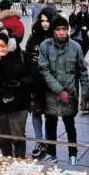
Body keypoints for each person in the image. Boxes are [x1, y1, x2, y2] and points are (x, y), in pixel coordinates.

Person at [38, 15, 89, 165]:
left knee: (70, 125)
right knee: (50, 125)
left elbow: (82, 72)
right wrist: (59, 90)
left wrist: (86, 95)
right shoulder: (45, 46)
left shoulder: (76, 47)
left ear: (68, 30)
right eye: (58, 30)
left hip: (70, 95)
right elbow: (43, 70)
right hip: (51, 95)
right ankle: (51, 153)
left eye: (64, 29)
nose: (61, 33)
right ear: (53, 31)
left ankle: (73, 155)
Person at [0, 29, 34, 158]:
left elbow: (32, 76)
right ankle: (7, 160)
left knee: (17, 136)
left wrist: (20, 83)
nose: (0, 49)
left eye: (3, 46)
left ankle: (20, 161)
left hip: (18, 102)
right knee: (3, 137)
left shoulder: (21, 55)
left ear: (9, 44)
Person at [25, 8, 55, 158]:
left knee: (50, 114)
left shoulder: (57, 36)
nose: (44, 24)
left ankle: (50, 143)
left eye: (47, 20)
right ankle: (39, 140)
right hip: (35, 80)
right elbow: (27, 54)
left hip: (50, 81)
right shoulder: (34, 36)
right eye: (42, 20)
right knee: (36, 112)